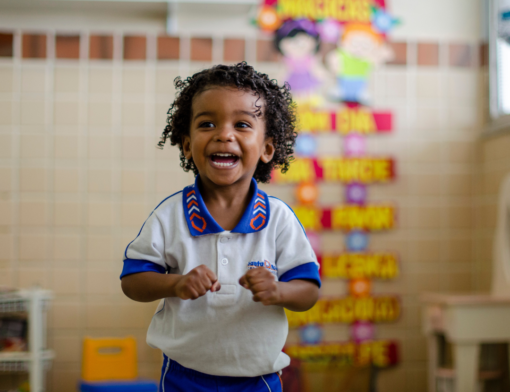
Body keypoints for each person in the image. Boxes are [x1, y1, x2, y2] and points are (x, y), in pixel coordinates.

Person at [120, 62, 321, 392]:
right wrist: (176, 283)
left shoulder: (279, 219)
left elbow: (309, 291)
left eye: (242, 124)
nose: (224, 134)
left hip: (257, 380)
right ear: (187, 145)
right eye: (207, 123)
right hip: (184, 377)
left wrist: (279, 291)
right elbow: (132, 282)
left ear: (267, 148)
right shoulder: (169, 216)